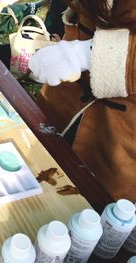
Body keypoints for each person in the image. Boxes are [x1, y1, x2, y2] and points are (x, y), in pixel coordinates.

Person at [28, 0, 136, 201]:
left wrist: (87, 54)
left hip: (121, 130)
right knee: (37, 170)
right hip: (66, 97)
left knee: (95, 209)